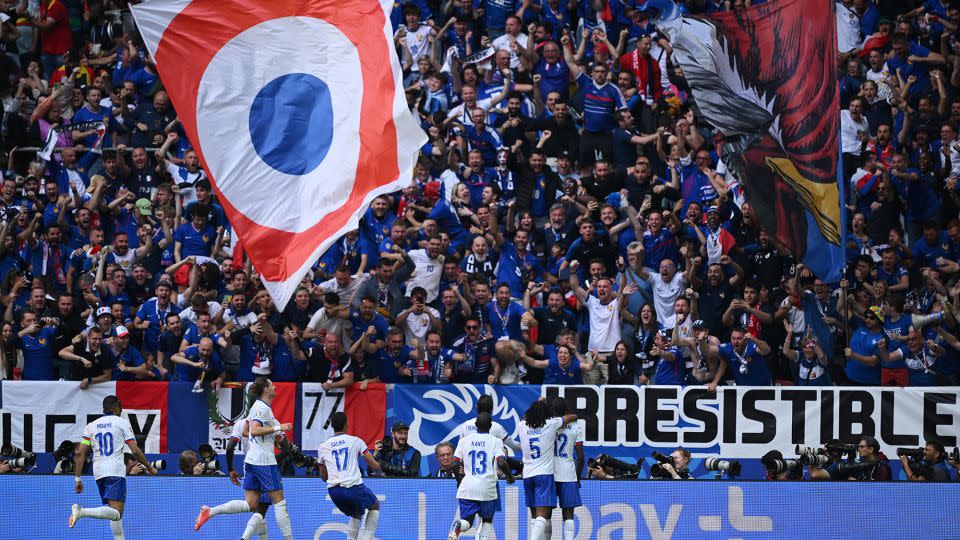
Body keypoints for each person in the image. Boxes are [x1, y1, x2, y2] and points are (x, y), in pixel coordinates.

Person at [195, 377, 294, 540]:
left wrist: (274, 435)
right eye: (271, 385)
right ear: (266, 390)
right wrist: (279, 428)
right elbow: (254, 431)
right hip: (265, 462)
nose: (275, 386)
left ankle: (210, 511)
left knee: (252, 504)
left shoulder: (257, 409)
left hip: (251, 462)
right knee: (279, 504)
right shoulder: (263, 409)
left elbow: (248, 432)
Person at [68, 395, 157, 538]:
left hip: (98, 472)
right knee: (117, 513)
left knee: (112, 510)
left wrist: (77, 479)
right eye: (120, 409)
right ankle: (82, 511)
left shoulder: (91, 425)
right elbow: (134, 450)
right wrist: (150, 467)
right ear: (116, 409)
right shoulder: (122, 423)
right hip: (115, 471)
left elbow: (80, 454)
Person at [447, 411, 514, 540]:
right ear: (490, 426)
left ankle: (458, 524)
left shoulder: (464, 441)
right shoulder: (496, 441)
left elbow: (455, 465)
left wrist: (460, 481)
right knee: (487, 521)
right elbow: (501, 461)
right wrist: (510, 477)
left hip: (468, 487)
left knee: (467, 522)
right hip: (487, 488)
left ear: (476, 424)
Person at [517, 398, 577, 540]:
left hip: (527, 476)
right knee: (542, 517)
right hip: (544, 476)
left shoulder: (521, 426)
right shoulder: (550, 424)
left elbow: (525, 416)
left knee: (535, 518)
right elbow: (571, 417)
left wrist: (538, 404)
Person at [317, 412, 383, 540]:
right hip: (353, 488)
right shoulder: (356, 441)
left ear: (332, 426)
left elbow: (324, 477)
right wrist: (380, 472)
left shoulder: (323, 447)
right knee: (375, 505)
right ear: (347, 425)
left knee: (356, 513)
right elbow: (373, 464)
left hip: (334, 492)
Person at [550, 397, 583, 540]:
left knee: (545, 515)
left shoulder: (547, 424)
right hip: (568, 475)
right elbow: (581, 457)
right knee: (568, 515)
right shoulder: (576, 427)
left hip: (549, 474)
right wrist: (578, 477)